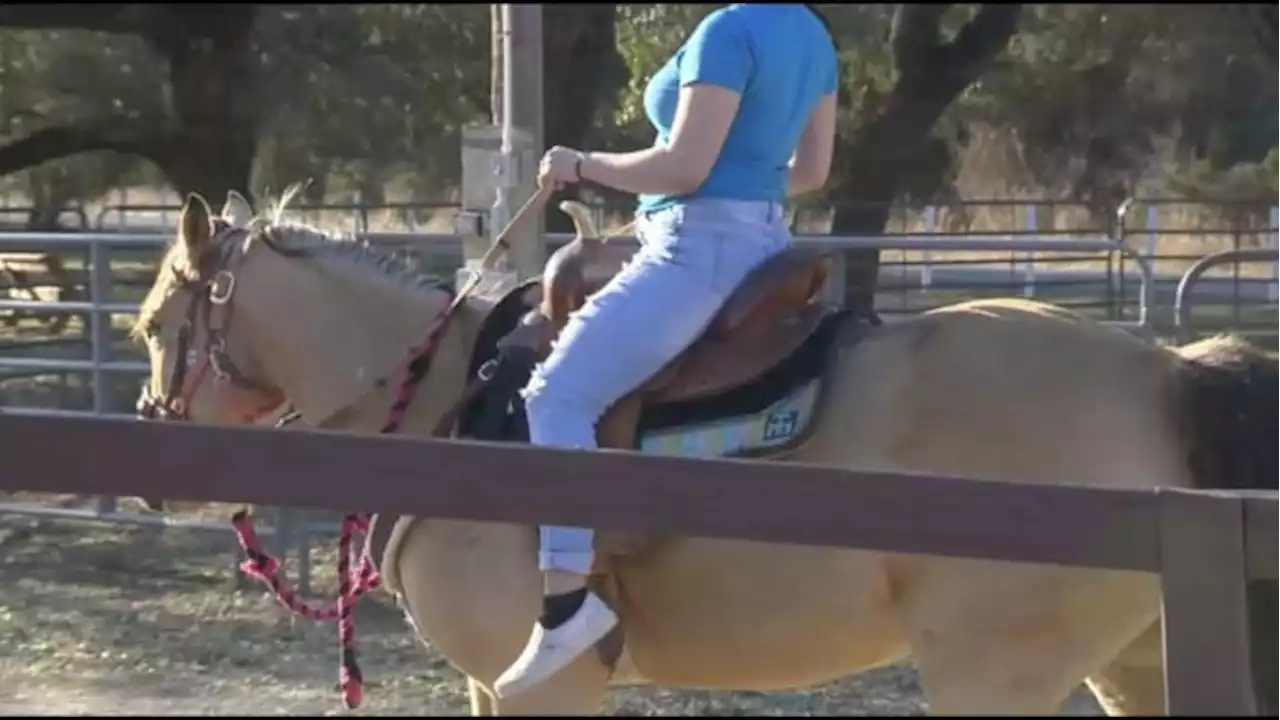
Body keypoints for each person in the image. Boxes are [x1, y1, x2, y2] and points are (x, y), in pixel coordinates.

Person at [493, 3, 840, 698]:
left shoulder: (726, 31)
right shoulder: (812, 34)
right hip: (761, 241)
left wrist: (580, 164)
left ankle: (566, 601)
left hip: (697, 250)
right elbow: (810, 172)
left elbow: (683, 166)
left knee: (557, 394)